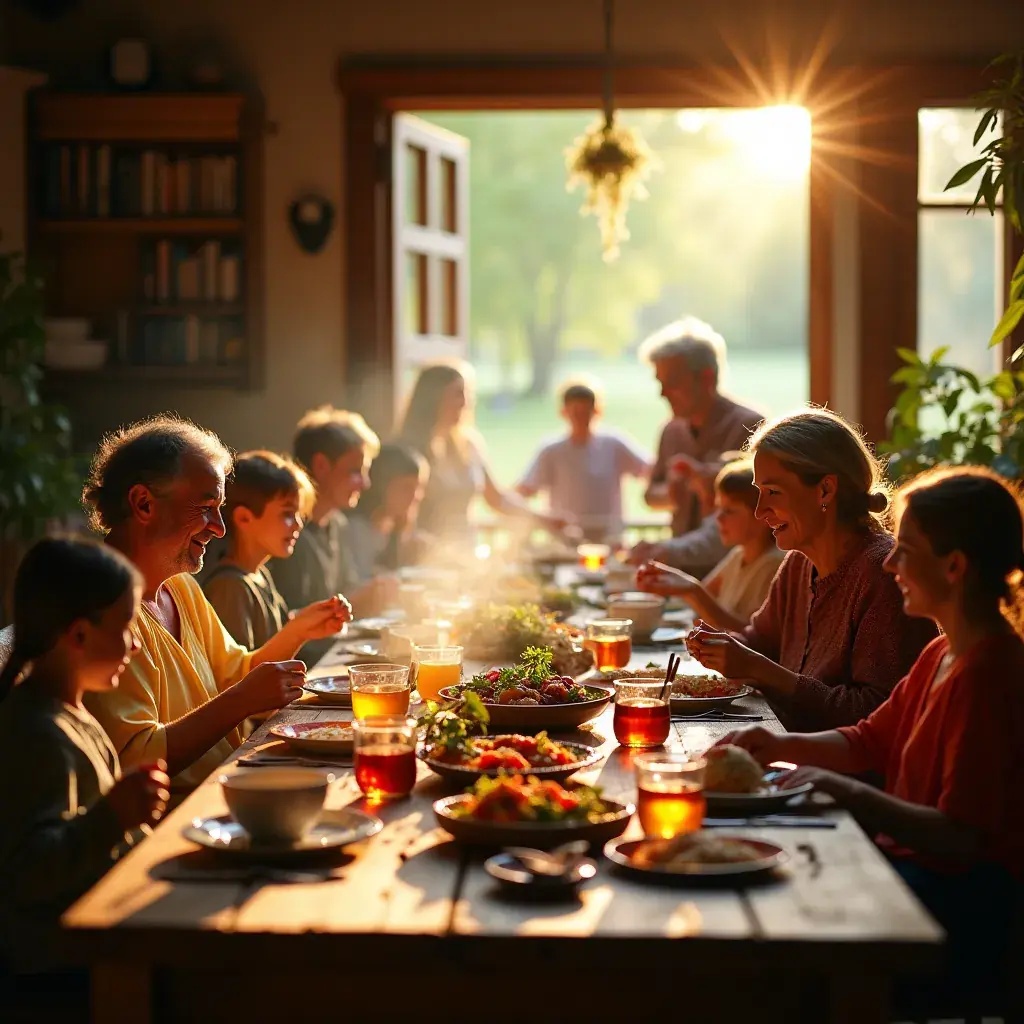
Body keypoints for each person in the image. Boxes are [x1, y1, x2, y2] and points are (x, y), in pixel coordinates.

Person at [719, 466, 1024, 1011]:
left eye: (905, 551)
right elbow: (867, 740)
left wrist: (849, 793)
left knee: (771, 948)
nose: (889, 563)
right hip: (911, 870)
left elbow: (960, 839)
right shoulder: (942, 651)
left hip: (961, 909)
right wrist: (777, 745)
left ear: (954, 567)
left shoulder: (991, 673)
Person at [81, 415, 351, 793]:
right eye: (206, 507)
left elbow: (238, 675)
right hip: (177, 819)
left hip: (232, 785)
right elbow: (138, 757)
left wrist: (300, 630)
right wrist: (241, 701)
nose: (220, 527)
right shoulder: (101, 608)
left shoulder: (181, 588)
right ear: (143, 504)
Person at [686, 409, 936, 731]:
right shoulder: (800, 562)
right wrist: (716, 645)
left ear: (825, 491)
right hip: (787, 749)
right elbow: (760, 641)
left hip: (841, 773)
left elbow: (876, 716)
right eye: (759, 492)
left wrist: (762, 670)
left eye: (773, 492)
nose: (761, 511)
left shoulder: (883, 573)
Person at [0, 538, 170, 967]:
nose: (134, 645)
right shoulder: (36, 733)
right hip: (70, 960)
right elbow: (27, 874)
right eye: (126, 629)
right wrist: (113, 817)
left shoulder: (72, 710)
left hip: (110, 922)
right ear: (78, 633)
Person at [395, 361, 568, 541]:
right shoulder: (408, 451)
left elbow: (497, 498)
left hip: (466, 554)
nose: (465, 402)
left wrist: (541, 519)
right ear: (432, 398)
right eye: (457, 394)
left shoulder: (469, 444)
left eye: (467, 393)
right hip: (425, 558)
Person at [635, 317, 763, 545]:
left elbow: (761, 503)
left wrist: (714, 484)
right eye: (660, 382)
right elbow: (650, 495)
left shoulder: (750, 426)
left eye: (672, 382)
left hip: (731, 564)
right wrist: (671, 493)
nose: (662, 393)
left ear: (707, 378)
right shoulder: (670, 431)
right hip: (678, 560)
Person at [268, 405, 393, 619]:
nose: (365, 483)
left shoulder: (336, 524)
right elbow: (289, 618)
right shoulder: (290, 535)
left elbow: (348, 585)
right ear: (322, 465)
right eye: (355, 471)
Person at [636, 458, 783, 629]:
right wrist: (672, 580)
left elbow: (754, 637)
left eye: (729, 511)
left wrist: (691, 589)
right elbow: (702, 602)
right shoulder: (739, 555)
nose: (718, 519)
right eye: (718, 509)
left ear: (762, 516)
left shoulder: (774, 566)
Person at [202, 450, 319, 649]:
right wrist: (298, 631)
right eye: (287, 514)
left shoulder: (259, 574)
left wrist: (311, 620)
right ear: (244, 518)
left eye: (298, 514)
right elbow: (242, 674)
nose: (298, 524)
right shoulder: (230, 588)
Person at [515, 378, 650, 542]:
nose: (581, 419)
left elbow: (648, 470)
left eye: (586, 412)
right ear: (564, 412)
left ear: (597, 411)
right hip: (566, 541)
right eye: (575, 413)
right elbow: (525, 489)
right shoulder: (552, 451)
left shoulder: (614, 445)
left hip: (609, 539)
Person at [347, 443, 429, 580]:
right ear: (381, 486)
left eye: (419, 488)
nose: (416, 496)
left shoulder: (395, 528)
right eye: (406, 487)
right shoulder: (353, 531)